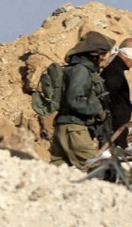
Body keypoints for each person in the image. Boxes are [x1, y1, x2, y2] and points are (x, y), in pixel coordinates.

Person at [49, 31, 115, 171]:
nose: (105, 58)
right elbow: (74, 99)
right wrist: (97, 109)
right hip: (75, 129)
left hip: (65, 127)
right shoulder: (81, 71)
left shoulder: (75, 69)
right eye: (104, 54)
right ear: (95, 55)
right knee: (95, 169)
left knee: (57, 172)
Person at [99, 38, 132, 149]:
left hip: (116, 129)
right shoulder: (115, 72)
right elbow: (105, 97)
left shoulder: (115, 70)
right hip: (113, 130)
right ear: (126, 53)